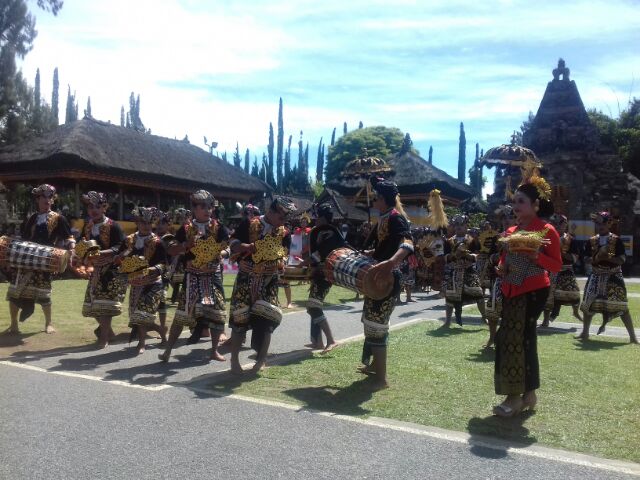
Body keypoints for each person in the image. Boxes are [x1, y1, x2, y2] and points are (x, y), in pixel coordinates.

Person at [493, 169, 562, 417]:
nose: (516, 206)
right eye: (514, 202)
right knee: (519, 340)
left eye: (521, 202)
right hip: (510, 290)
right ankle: (529, 393)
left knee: (514, 340)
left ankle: (514, 397)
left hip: (533, 291)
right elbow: (503, 261)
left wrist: (536, 255)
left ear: (535, 204)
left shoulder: (546, 230)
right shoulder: (511, 232)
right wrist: (501, 268)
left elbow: (556, 266)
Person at [159, 190, 230, 362]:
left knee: (216, 313)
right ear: (194, 209)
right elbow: (171, 249)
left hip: (212, 276)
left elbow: (229, 248)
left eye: (210, 207)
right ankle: (168, 351)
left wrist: (222, 253)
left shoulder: (219, 227)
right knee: (182, 314)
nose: (207, 210)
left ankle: (214, 350)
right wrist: (186, 244)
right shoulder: (185, 229)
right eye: (202, 207)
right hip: (192, 277)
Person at [228, 196, 296, 374]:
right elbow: (232, 243)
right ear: (271, 212)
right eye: (281, 218)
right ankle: (234, 360)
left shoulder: (284, 234)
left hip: (268, 281)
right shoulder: (249, 224)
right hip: (246, 278)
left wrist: (279, 263)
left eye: (285, 220)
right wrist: (245, 247)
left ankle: (261, 359)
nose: (283, 223)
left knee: (267, 319)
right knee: (240, 319)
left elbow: (284, 256)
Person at [357, 177, 413, 389]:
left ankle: (382, 379)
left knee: (377, 325)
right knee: (370, 323)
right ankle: (373, 368)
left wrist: (391, 261)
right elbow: (386, 245)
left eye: (376, 197)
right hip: (377, 276)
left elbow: (407, 242)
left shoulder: (396, 218)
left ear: (383, 198)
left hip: (388, 278)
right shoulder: (384, 217)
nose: (373, 200)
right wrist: (374, 252)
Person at [6, 184, 74, 334]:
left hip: (45, 260)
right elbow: (24, 238)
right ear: (37, 199)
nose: (47, 199)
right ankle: (13, 325)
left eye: (50, 197)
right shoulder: (31, 218)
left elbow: (68, 237)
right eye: (44, 196)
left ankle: (48, 323)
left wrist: (71, 250)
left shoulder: (59, 218)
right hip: (25, 261)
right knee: (14, 292)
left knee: (44, 294)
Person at [577, 212, 638, 343]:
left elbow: (622, 259)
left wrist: (608, 257)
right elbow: (586, 258)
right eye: (598, 223)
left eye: (603, 223)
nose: (601, 225)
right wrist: (596, 258)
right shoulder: (592, 240)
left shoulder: (616, 240)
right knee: (588, 305)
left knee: (622, 306)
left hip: (613, 275)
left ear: (609, 224)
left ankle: (633, 337)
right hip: (596, 275)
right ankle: (585, 332)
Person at [80, 191, 127, 349]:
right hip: (96, 271)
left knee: (105, 306)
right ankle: (109, 334)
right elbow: (83, 244)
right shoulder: (88, 226)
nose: (94, 210)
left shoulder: (113, 226)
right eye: (91, 206)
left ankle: (104, 338)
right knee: (94, 306)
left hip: (112, 271)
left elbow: (121, 246)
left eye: (98, 206)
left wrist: (103, 253)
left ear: (104, 208)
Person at [118, 207, 168, 354]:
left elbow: (164, 264)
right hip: (135, 283)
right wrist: (119, 259)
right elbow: (122, 256)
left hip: (153, 282)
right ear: (137, 223)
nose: (146, 225)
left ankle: (142, 343)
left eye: (149, 222)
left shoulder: (158, 242)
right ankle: (160, 330)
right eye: (143, 222)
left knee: (144, 313)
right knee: (137, 315)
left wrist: (152, 269)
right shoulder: (129, 240)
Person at [305, 203, 342, 352]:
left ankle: (331, 340)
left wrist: (305, 262)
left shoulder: (329, 232)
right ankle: (317, 341)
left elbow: (322, 252)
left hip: (325, 274)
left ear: (323, 217)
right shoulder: (321, 231)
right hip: (319, 274)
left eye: (317, 216)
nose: (315, 219)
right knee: (314, 305)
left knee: (313, 306)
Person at [541, 214, 582, 327]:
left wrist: (561, 252)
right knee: (549, 296)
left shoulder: (570, 239)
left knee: (574, 293)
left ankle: (575, 312)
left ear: (565, 225)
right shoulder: (547, 239)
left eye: (561, 223)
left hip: (566, 269)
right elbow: (543, 254)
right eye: (555, 223)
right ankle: (545, 320)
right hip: (551, 270)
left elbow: (574, 257)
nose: (558, 226)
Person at [443, 215, 485, 326]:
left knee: (479, 294)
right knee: (449, 297)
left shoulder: (473, 240)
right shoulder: (449, 241)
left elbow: (478, 253)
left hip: (469, 270)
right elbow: (445, 257)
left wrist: (470, 256)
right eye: (456, 225)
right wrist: (454, 256)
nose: (458, 227)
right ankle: (447, 321)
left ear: (466, 226)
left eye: (461, 225)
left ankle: (484, 318)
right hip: (455, 271)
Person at [484, 205, 516, 349]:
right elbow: (490, 257)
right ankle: (492, 337)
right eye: (503, 218)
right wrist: (496, 258)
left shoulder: (523, 236)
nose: (506, 221)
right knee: (492, 310)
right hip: (499, 280)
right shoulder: (497, 237)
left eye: (509, 217)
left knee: (514, 312)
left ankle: (511, 340)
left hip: (517, 279)